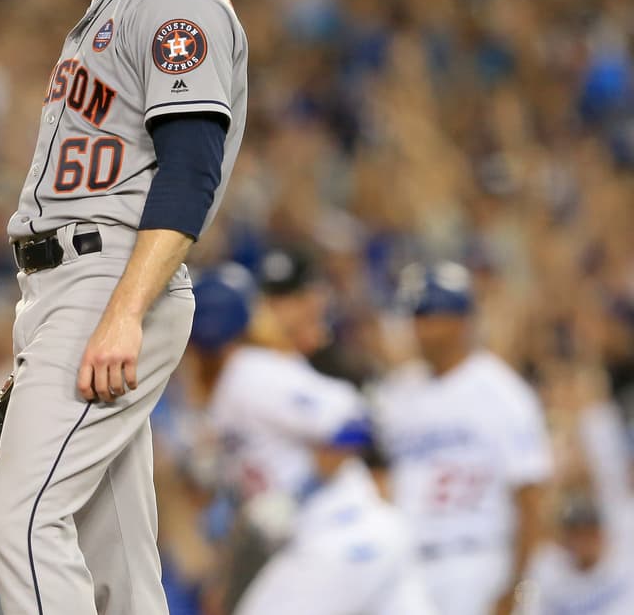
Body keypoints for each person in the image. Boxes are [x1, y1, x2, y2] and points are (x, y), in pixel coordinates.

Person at [0, 0, 249, 615]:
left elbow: (191, 169)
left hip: (109, 279)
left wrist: (123, 311)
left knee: (24, 519)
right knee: (119, 569)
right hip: (74, 284)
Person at [184, 263, 435, 614]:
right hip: (354, 540)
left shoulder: (249, 373)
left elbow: (355, 419)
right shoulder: (233, 382)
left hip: (340, 532)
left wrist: (301, 492)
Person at [374, 261, 552, 615]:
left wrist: (518, 588)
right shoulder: (393, 394)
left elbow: (531, 498)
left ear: (461, 321)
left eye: (431, 316)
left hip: (476, 561)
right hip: (408, 567)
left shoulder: (502, 393)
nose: (420, 328)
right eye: (416, 316)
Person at [520, 372, 634, 614]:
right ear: (565, 537)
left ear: (602, 533)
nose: (585, 540)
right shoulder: (546, 567)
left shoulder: (625, 537)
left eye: (590, 531)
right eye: (577, 532)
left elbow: (607, 460)